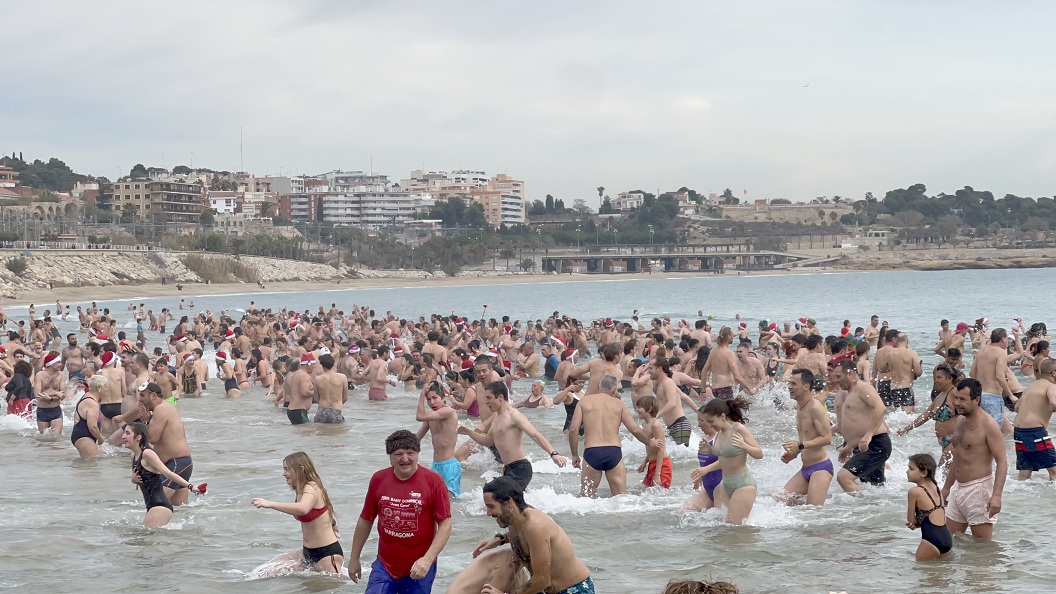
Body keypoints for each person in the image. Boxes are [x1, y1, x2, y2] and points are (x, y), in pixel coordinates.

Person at [348, 430, 452, 592]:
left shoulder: (434, 481)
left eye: (410, 453)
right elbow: (366, 519)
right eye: (399, 454)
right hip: (385, 565)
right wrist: (354, 558)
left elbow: (445, 524)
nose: (405, 459)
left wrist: (427, 559)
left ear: (417, 454)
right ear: (390, 457)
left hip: (419, 566)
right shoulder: (378, 479)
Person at [472, 476, 594, 594]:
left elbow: (542, 580)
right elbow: (524, 537)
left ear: (509, 503)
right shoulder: (515, 519)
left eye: (491, 507)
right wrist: (501, 539)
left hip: (574, 590)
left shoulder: (536, 526)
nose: (488, 513)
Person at [458, 381, 568, 490]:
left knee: (496, 494)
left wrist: (553, 454)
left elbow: (535, 435)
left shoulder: (514, 416)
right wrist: (469, 432)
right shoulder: (496, 418)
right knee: (502, 501)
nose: (486, 402)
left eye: (489, 398)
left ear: (500, 397)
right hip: (508, 469)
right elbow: (488, 441)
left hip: (520, 468)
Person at [251, 452, 344, 574]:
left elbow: (303, 509)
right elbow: (320, 510)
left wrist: (270, 504)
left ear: (300, 469)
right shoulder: (300, 490)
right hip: (308, 552)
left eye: (287, 469)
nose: (283, 473)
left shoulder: (312, 487)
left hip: (327, 554)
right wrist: (332, 523)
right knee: (266, 572)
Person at [940, 378, 1007, 541]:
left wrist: (996, 495)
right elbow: (958, 456)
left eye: (962, 399)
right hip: (958, 488)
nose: (957, 403)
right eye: (956, 398)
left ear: (976, 400)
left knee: (982, 548)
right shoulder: (961, 420)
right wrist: (946, 488)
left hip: (979, 489)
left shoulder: (988, 425)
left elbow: (1002, 461)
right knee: (950, 541)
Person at [567, 374, 650, 497]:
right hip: (613, 452)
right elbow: (635, 429)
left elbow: (573, 430)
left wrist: (574, 454)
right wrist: (650, 442)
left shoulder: (584, 402)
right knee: (621, 499)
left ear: (599, 386)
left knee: (586, 499)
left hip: (592, 452)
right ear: (614, 390)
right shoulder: (619, 404)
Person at [693, 398, 762, 524]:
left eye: (711, 421)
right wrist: (710, 450)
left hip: (742, 484)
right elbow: (723, 457)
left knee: (735, 528)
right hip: (725, 485)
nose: (710, 425)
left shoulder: (738, 429)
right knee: (722, 527)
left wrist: (744, 445)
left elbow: (759, 454)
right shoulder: (720, 433)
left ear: (723, 416)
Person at [121, 422, 202, 528]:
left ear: (138, 437)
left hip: (160, 506)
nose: (123, 436)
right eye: (124, 433)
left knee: (144, 540)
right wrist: (133, 479)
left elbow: (167, 473)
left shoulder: (147, 454)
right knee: (143, 541)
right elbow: (138, 480)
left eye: (127, 433)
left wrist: (191, 486)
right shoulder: (133, 456)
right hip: (151, 506)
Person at [832, 359, 890, 492]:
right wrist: (848, 446)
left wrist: (869, 434)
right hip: (864, 446)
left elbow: (880, 408)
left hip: (876, 444)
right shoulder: (849, 393)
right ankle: (874, 509)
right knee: (874, 487)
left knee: (844, 477)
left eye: (839, 376)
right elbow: (857, 421)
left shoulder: (863, 387)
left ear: (851, 374)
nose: (836, 380)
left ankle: (860, 510)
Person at [778, 369, 834, 506]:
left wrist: (800, 446)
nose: (789, 387)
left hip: (820, 468)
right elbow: (807, 437)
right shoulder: (800, 407)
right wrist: (795, 453)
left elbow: (827, 438)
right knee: (782, 500)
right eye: (789, 383)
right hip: (805, 468)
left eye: (793, 383)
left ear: (806, 387)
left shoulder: (815, 408)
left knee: (812, 512)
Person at [136, 381, 194, 506]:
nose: (139, 401)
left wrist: (145, 421)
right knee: (179, 510)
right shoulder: (165, 407)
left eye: (142, 396)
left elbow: (153, 439)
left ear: (152, 396)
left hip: (176, 463)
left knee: (154, 503)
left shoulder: (161, 408)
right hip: (180, 463)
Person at [897, 363, 960, 468]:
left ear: (949, 378)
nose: (935, 380)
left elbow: (970, 410)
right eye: (935, 377)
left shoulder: (955, 393)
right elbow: (925, 416)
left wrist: (957, 412)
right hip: (944, 441)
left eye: (939, 377)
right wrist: (907, 428)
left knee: (942, 469)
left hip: (955, 439)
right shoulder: (940, 396)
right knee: (948, 472)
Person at [1012, 358, 1056, 480]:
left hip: (1019, 432)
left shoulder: (1031, 385)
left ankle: (1021, 498)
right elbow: (1054, 403)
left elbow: (1016, 407)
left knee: (1025, 471)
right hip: (1034, 433)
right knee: (1054, 471)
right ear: (1054, 373)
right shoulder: (1051, 386)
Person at [415, 382, 462, 497]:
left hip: (450, 466)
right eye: (428, 399)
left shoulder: (449, 411)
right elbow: (417, 438)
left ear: (444, 397)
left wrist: (422, 394)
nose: (432, 402)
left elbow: (419, 416)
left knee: (449, 503)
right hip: (435, 466)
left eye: (435, 398)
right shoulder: (431, 416)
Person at [905, 453, 952, 560]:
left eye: (911, 469)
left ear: (924, 473)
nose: (907, 471)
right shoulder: (936, 488)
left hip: (931, 541)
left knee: (920, 572)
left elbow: (911, 520)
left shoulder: (914, 492)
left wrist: (915, 523)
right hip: (947, 539)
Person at [635, 395, 672, 489]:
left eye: (640, 407)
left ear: (650, 409)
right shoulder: (645, 424)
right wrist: (645, 461)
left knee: (660, 493)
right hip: (652, 463)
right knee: (645, 491)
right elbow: (651, 447)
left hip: (662, 465)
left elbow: (660, 450)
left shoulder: (655, 425)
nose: (637, 409)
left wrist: (657, 474)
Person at [71, 374, 106, 458]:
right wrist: (101, 439)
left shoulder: (87, 397)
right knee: (91, 465)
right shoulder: (91, 403)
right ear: (99, 388)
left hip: (85, 436)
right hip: (84, 437)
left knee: (92, 465)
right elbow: (92, 426)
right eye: (105, 386)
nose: (107, 389)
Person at [312, 353, 348, 423]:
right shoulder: (342, 377)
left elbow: (316, 398)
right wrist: (338, 403)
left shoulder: (318, 379)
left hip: (321, 410)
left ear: (322, 365)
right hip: (336, 410)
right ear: (333, 363)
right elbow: (345, 398)